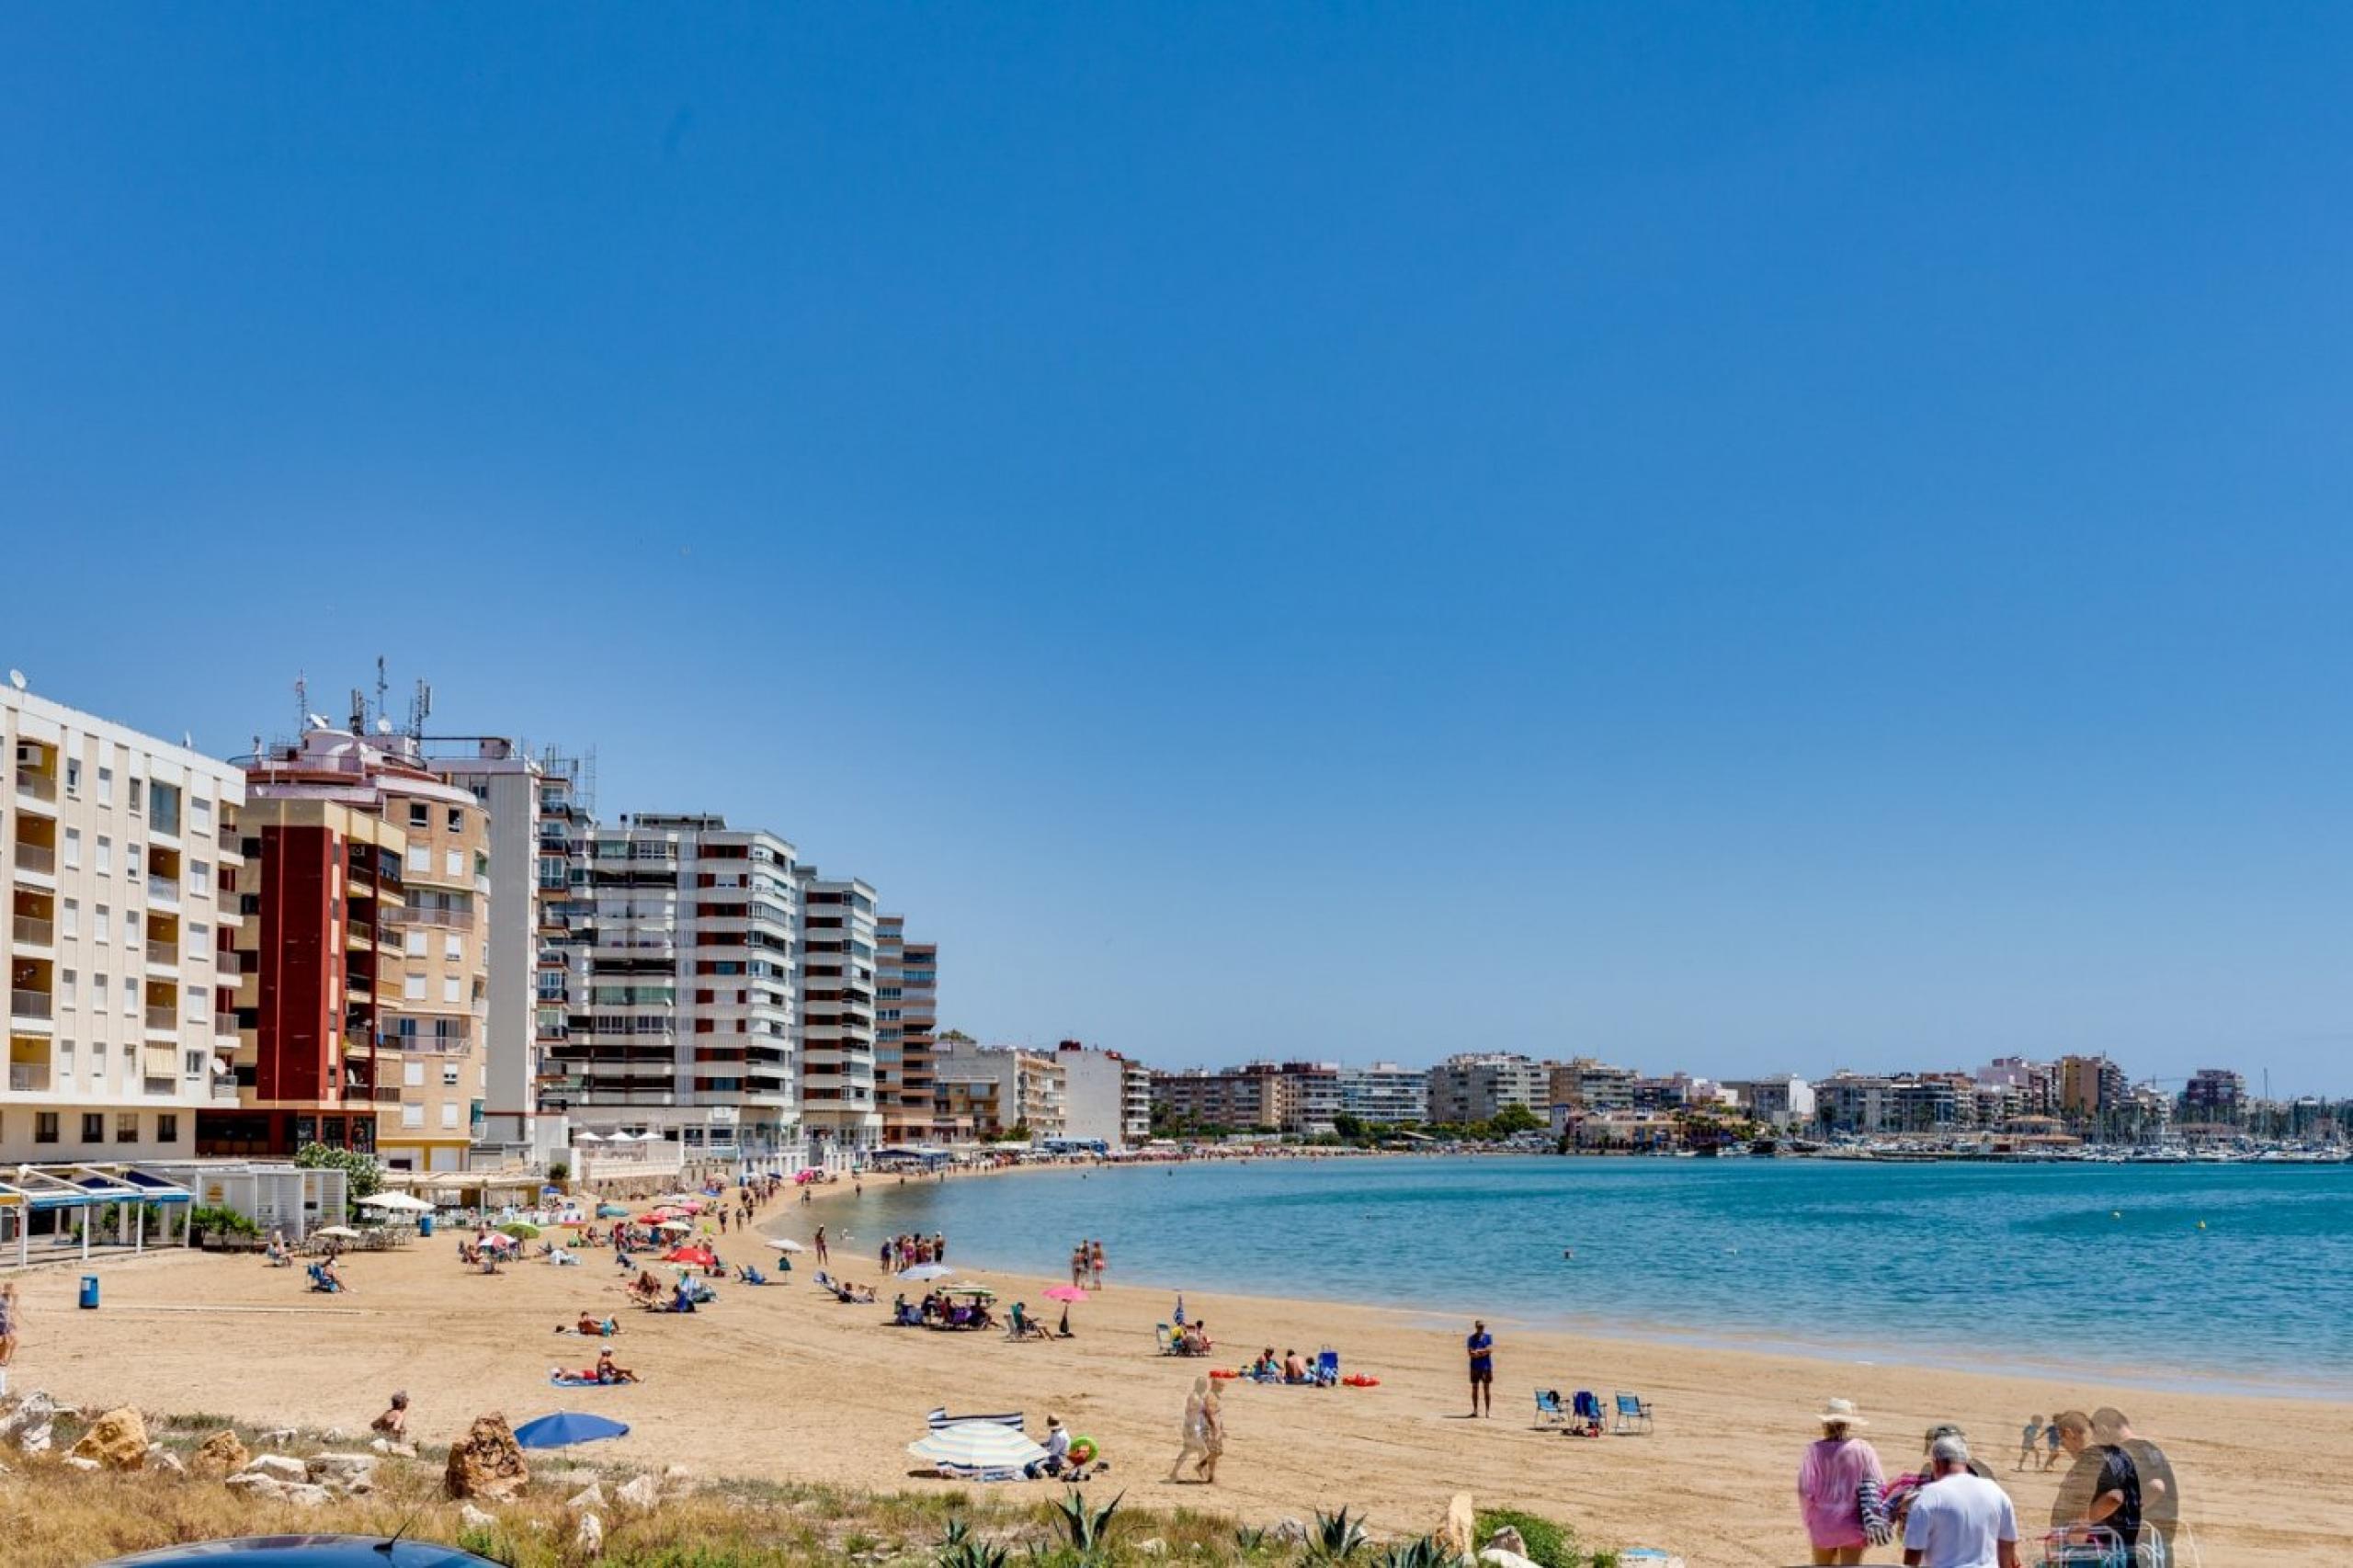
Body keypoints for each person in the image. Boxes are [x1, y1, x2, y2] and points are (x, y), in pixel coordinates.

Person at [1901, 1435, 2018, 1568]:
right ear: (1965, 1462)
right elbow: (2007, 1547)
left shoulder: (1928, 1496)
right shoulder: (1996, 1491)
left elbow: (1913, 1554)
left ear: (1938, 1463)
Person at [1798, 1398, 1888, 1566]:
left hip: (1823, 1523)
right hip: (1852, 1525)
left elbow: (1805, 1490)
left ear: (1825, 1424)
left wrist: (1808, 1519)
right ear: (1848, 1424)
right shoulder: (1863, 1449)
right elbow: (1880, 1485)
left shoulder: (1814, 1451)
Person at [2050, 1410, 2140, 1561]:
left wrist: (2082, 1524)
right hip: (2112, 1545)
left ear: (2069, 1433)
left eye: (2061, 1440)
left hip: (2097, 1550)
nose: (2062, 1446)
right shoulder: (2111, 1453)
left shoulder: (2092, 1459)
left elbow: (2114, 1497)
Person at [2092, 1408, 2178, 1563]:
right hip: (2157, 1546)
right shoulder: (2150, 1450)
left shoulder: (2130, 1452)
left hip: (2141, 1549)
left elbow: (2156, 1488)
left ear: (2103, 1430)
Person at [1170, 1377, 1212, 1482]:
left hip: (1191, 1426)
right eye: (1204, 1386)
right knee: (1201, 1450)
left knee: (1189, 1450)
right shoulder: (1195, 1398)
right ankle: (1204, 1473)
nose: (1205, 1388)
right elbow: (1198, 1411)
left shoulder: (1195, 1396)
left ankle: (1175, 1472)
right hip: (1193, 1427)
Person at [1026, 1415, 1072, 1479]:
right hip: (1059, 1454)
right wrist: (1042, 1445)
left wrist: (1042, 1452)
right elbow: (1050, 1442)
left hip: (1058, 1456)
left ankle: (1038, 1473)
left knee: (1038, 1464)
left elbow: (1053, 1452)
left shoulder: (1058, 1436)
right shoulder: (1058, 1432)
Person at [1465, 1320, 1495, 1417]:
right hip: (1475, 1367)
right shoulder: (1471, 1338)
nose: (1481, 1328)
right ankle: (1475, 1410)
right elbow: (1471, 1353)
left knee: (1486, 1389)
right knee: (1475, 1389)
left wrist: (1478, 1351)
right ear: (1476, 1327)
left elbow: (1489, 1350)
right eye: (1479, 1327)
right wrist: (1483, 1352)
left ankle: (1487, 1411)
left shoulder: (1488, 1337)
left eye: (1482, 1327)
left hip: (1486, 1367)